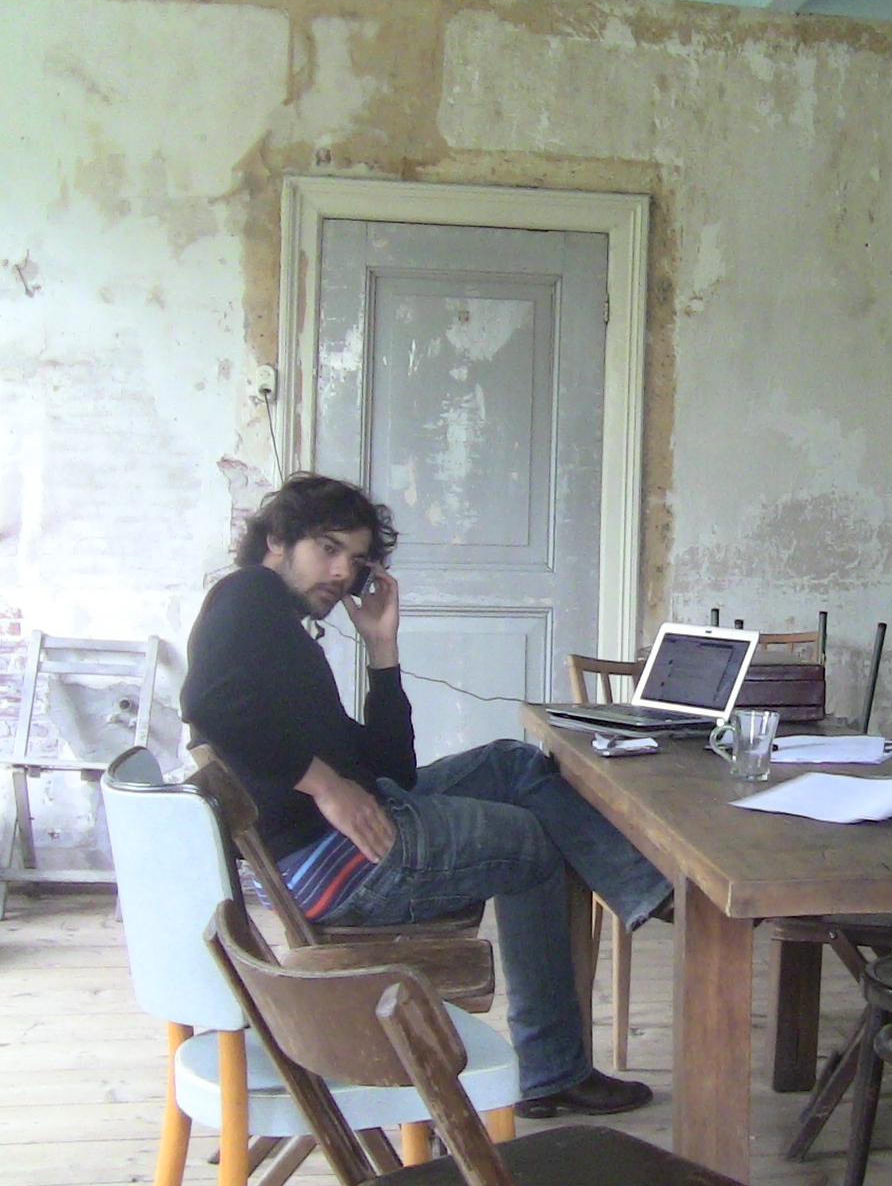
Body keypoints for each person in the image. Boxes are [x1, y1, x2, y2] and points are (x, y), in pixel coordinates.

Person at [181, 472, 672, 1119]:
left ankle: (645, 892)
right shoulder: (247, 595)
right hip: (335, 860)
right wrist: (325, 785)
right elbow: (207, 703)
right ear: (277, 541)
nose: (342, 572)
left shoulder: (280, 624)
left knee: (514, 763)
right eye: (327, 548)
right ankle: (555, 1068)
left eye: (355, 559)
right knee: (531, 844)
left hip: (353, 823)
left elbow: (394, 769)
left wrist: (382, 648)